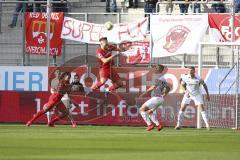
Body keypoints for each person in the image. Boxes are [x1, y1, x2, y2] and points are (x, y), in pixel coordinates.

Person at [139, 64, 171, 131]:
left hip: (156, 98)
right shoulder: (163, 78)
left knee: (141, 109)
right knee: (150, 112)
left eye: (156, 68)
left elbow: (153, 87)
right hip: (160, 98)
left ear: (160, 70)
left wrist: (144, 93)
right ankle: (158, 125)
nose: (155, 69)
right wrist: (164, 95)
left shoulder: (159, 77)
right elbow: (168, 88)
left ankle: (150, 125)